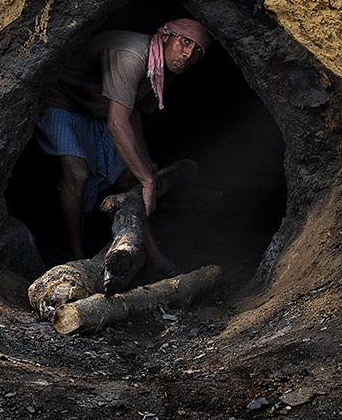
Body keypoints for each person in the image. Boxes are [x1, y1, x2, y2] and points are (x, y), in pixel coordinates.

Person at [35, 18, 212, 267]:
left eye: (197, 51)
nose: (187, 54)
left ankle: (153, 255)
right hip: (63, 103)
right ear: (165, 36)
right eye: (185, 42)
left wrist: (144, 163)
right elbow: (117, 125)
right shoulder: (132, 55)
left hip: (99, 111)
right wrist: (148, 180)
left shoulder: (163, 68)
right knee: (78, 172)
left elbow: (133, 112)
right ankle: (77, 257)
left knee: (131, 179)